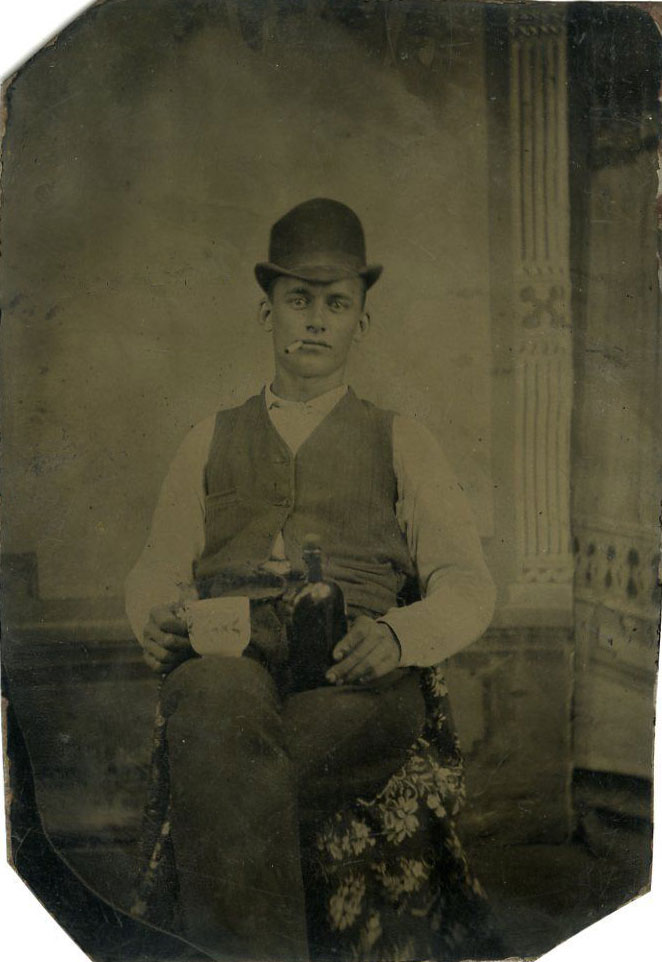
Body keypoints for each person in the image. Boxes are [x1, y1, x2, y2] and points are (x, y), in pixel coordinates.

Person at [125, 198, 497, 962]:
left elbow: (468, 582)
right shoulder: (209, 436)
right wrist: (155, 616)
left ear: (363, 319)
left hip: (356, 675)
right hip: (232, 658)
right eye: (299, 300)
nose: (316, 321)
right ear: (268, 311)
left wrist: (399, 636)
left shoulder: (402, 439)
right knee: (208, 701)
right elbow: (159, 569)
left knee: (225, 766)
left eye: (336, 303)